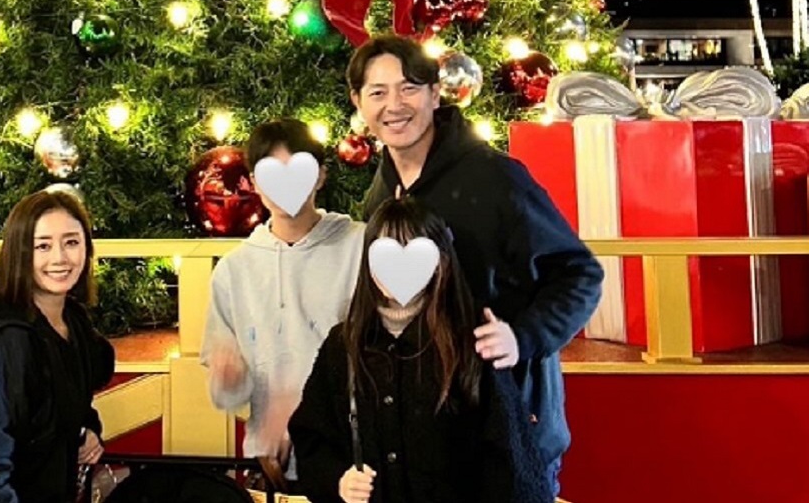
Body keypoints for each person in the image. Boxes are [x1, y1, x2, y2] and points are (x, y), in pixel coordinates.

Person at [347, 34, 604, 494]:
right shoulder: (381, 194)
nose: (394, 105)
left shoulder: (496, 177)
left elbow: (579, 273)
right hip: (426, 443)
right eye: (378, 92)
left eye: (409, 88)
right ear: (358, 102)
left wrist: (522, 338)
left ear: (434, 93)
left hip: (508, 429)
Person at [288, 197, 555, 503]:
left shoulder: (471, 343)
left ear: (440, 262)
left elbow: (510, 458)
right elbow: (312, 437)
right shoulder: (344, 344)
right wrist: (338, 480)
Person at [201, 118, 366, 483]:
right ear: (254, 182)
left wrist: (304, 412)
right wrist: (229, 377)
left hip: (354, 458)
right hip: (274, 463)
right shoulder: (233, 271)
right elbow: (228, 394)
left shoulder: (362, 247)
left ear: (320, 176)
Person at [0, 190, 115, 502]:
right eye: (43, 246)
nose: (60, 258)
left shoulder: (74, 322)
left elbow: (60, 405)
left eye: (71, 242)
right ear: (19, 253)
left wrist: (87, 429)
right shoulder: (5, 339)